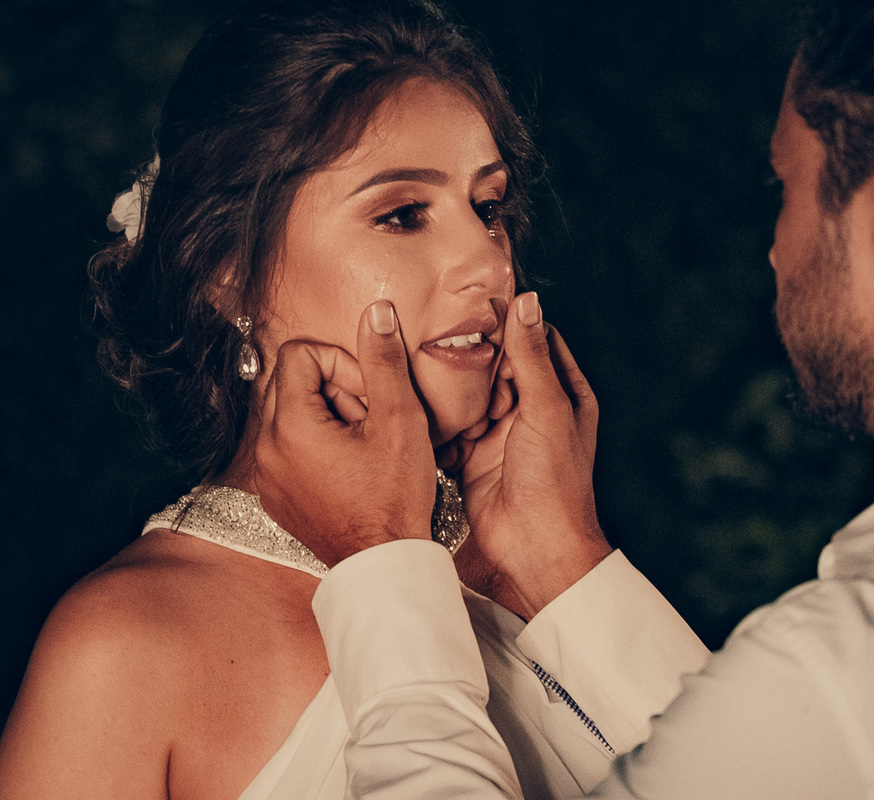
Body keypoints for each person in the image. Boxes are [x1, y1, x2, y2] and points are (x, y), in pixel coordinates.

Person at [251, 0, 874, 797]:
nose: (776, 252)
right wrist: (560, 561)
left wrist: (383, 565)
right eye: (404, 214)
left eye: (786, 190)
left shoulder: (857, 673)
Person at [0, 2, 706, 798]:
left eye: (488, 209)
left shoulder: (545, 571)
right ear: (226, 271)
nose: (488, 262)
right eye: (403, 215)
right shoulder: (124, 648)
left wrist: (568, 561)